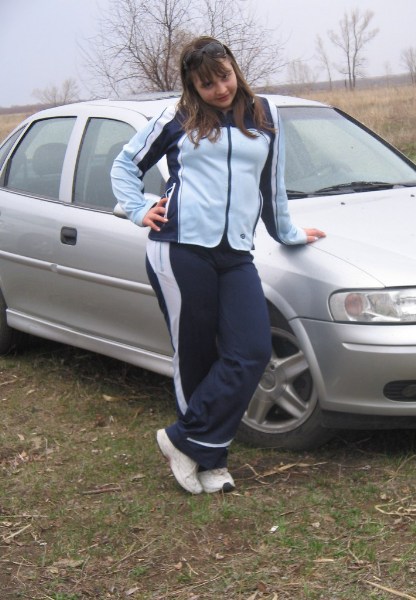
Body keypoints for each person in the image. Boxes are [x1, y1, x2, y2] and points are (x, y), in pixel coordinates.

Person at [111, 36, 325, 495]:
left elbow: (272, 185)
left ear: (235, 69)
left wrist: (288, 233)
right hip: (179, 248)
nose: (220, 89)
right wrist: (138, 208)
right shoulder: (176, 117)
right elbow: (125, 165)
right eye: (207, 84)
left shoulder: (264, 115)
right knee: (195, 354)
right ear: (193, 86)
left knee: (251, 350)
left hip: (235, 253)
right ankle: (210, 460)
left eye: (224, 77)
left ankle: (183, 440)